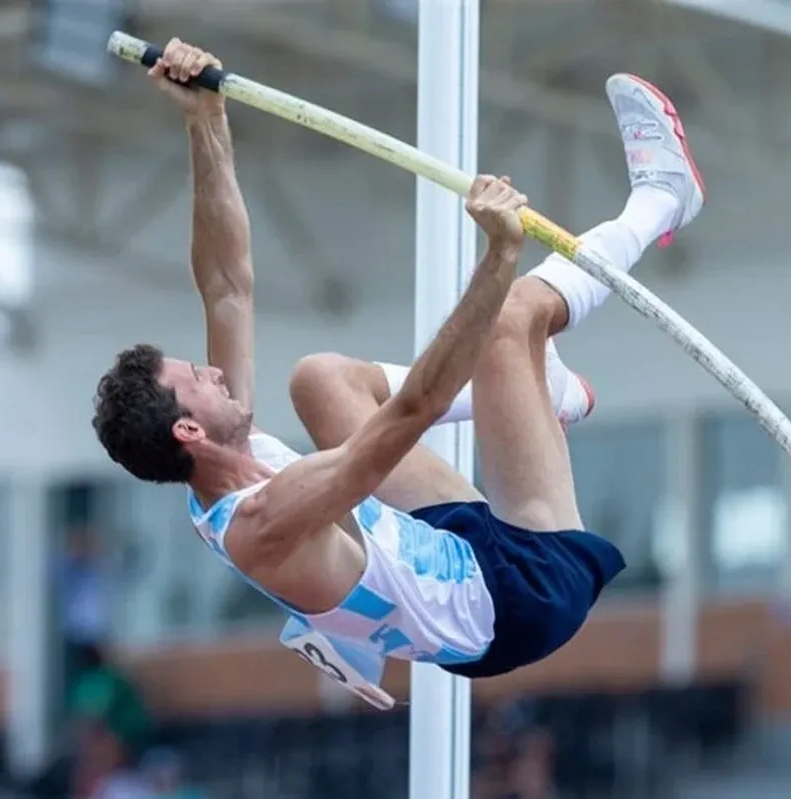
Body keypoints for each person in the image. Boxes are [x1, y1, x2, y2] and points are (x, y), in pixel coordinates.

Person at [90, 39, 703, 704]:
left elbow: (225, 285)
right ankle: (666, 198)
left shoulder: (218, 461)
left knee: (318, 380)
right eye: (197, 379)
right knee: (508, 320)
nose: (213, 373)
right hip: (518, 595)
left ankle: (537, 391)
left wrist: (204, 121)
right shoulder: (267, 516)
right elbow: (411, 409)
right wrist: (498, 255)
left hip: (438, 547)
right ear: (188, 429)